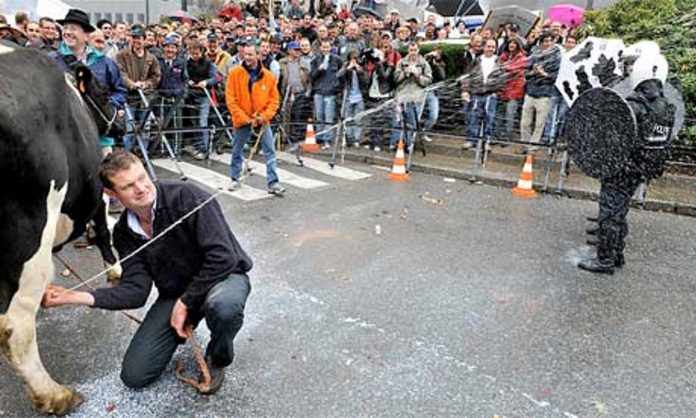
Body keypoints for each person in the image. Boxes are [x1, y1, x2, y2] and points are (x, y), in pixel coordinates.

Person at [42, 150, 252, 394]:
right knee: (135, 375)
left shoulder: (188, 196)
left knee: (225, 307)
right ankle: (188, 318)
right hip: (178, 293)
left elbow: (223, 257)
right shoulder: (124, 232)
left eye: (142, 177)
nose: (141, 188)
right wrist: (71, 297)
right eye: (128, 186)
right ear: (112, 194)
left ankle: (218, 356)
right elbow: (135, 291)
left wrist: (185, 302)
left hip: (223, 278)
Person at [579, 54, 675, 274]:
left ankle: (605, 260)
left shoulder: (633, 106)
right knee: (620, 211)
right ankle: (617, 254)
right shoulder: (666, 106)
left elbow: (613, 138)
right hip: (642, 167)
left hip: (622, 166)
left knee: (609, 213)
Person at [226, 43, 286, 195]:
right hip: (242, 120)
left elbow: (274, 101)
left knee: (269, 151)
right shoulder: (234, 74)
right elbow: (231, 100)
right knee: (237, 150)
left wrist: (263, 117)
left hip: (262, 120)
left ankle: (273, 182)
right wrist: (244, 118)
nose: (247, 57)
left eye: (250, 54)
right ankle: (235, 178)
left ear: (258, 55)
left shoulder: (269, 76)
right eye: (245, 54)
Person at [519, 31, 560, 148]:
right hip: (530, 92)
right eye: (545, 41)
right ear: (541, 42)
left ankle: (533, 147)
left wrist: (543, 74)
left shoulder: (556, 57)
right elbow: (524, 72)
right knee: (525, 123)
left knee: (539, 124)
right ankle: (525, 145)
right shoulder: (534, 55)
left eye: (550, 41)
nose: (548, 43)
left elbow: (556, 77)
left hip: (545, 94)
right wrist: (533, 72)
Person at [393, 41, 432, 148]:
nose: (413, 52)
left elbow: (428, 80)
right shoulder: (401, 62)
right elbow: (395, 78)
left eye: (415, 50)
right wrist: (404, 73)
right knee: (399, 120)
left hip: (416, 97)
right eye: (411, 50)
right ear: (408, 50)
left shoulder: (424, 63)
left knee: (412, 121)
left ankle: (409, 144)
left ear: (418, 50)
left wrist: (417, 76)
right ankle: (397, 143)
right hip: (402, 95)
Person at [310, 39, 344, 149]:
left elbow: (341, 74)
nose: (325, 49)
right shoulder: (315, 60)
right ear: (320, 48)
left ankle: (327, 140)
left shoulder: (337, 60)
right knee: (319, 116)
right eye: (323, 47)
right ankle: (319, 138)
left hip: (330, 93)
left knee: (329, 117)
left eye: (327, 47)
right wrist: (318, 70)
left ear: (330, 48)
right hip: (319, 91)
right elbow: (312, 76)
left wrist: (337, 87)